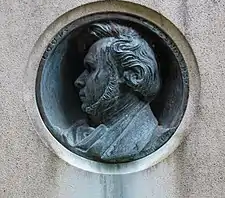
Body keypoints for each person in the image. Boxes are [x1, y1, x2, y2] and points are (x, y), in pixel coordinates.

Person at [50, 22, 174, 162]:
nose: (79, 81)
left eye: (91, 69)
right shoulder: (76, 137)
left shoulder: (153, 138)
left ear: (133, 76)